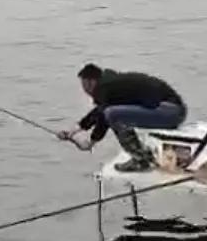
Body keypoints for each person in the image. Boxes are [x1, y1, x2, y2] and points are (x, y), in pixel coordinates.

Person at [58, 63, 187, 172]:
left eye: (84, 85)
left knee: (113, 114)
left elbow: (105, 117)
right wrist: (73, 132)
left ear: (92, 82)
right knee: (112, 113)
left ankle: (141, 159)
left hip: (170, 112)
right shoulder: (111, 84)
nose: (84, 90)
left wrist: (91, 142)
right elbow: (98, 112)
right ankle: (143, 156)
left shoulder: (105, 88)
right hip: (174, 111)